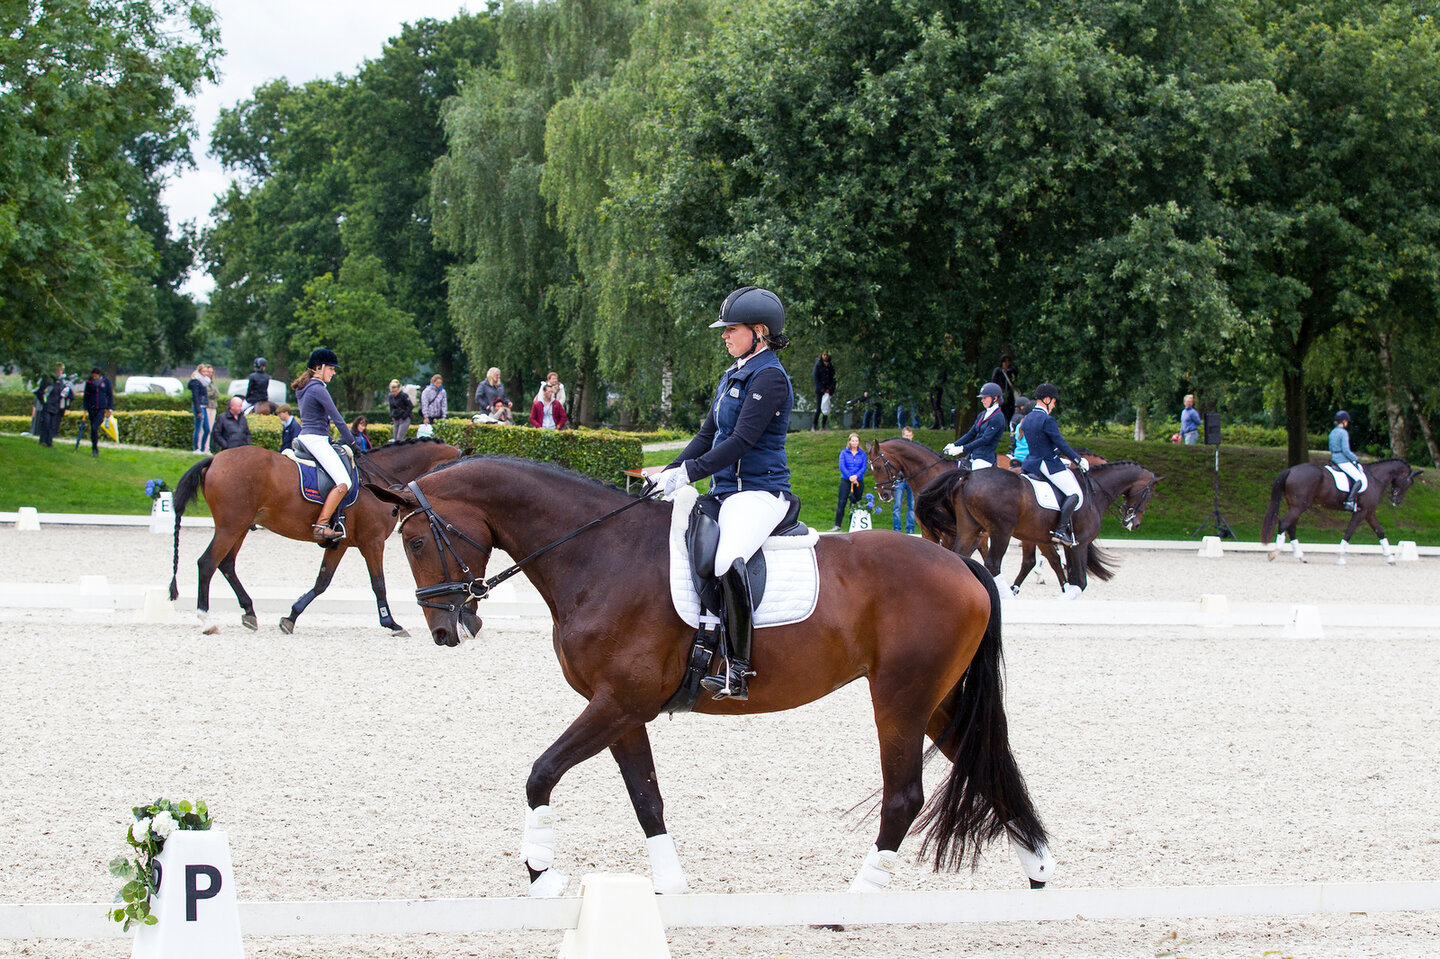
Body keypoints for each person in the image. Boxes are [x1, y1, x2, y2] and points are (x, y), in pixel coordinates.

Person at [652, 286, 795, 701]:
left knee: (726, 558)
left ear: (760, 331)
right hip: (725, 491)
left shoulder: (769, 377)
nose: (724, 336)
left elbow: (741, 442)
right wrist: (669, 472)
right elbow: (708, 434)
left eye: (731, 329)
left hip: (760, 492)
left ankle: (739, 669)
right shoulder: (733, 374)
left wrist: (689, 475)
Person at [293, 348, 357, 542]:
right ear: (319, 368)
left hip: (307, 436)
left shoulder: (304, 387)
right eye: (331, 368)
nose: (334, 372)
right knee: (344, 482)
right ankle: (321, 525)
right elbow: (337, 419)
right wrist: (353, 442)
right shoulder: (317, 388)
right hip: (316, 439)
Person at [1019, 383, 1088, 546]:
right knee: (1075, 494)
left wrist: (1058, 456)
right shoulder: (1047, 419)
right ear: (1047, 399)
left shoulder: (1027, 419)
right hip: (1048, 464)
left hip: (1032, 463)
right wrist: (1078, 460)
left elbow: (1041, 442)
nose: (1055, 406)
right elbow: (1060, 442)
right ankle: (1060, 531)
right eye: (1054, 402)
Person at [943, 382, 1006, 469]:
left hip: (984, 459)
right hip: (973, 455)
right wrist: (954, 444)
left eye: (985, 398)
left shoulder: (998, 417)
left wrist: (962, 449)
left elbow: (985, 440)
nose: (982, 400)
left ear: (995, 398)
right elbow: (971, 434)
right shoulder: (982, 414)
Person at [833, 432, 868, 532]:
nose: (854, 442)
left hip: (858, 481)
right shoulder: (844, 452)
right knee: (842, 502)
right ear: (849, 441)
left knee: (856, 503)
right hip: (846, 480)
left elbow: (864, 467)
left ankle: (853, 525)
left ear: (858, 442)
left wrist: (857, 476)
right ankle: (837, 525)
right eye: (852, 441)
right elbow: (842, 466)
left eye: (856, 441)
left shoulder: (862, 454)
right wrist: (850, 477)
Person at [1330, 410, 1365, 512]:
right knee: (1359, 479)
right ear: (1344, 421)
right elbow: (1346, 450)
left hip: (1334, 459)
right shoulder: (1343, 432)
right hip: (1342, 461)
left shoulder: (1332, 432)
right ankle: (1350, 501)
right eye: (1347, 421)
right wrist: (1355, 459)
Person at [79, 366, 114, 457]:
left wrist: (110, 408)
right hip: (91, 408)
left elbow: (110, 395)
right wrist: (85, 408)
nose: (93, 378)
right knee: (93, 430)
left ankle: (95, 448)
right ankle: (94, 448)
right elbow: (86, 396)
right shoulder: (89, 382)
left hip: (102, 408)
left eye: (95, 376)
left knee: (95, 427)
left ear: (99, 375)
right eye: (92, 376)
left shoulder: (106, 381)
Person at [34, 364, 69, 447]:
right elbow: (40, 392)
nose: (59, 372)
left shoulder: (61, 382)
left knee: (52, 425)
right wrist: (44, 402)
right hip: (47, 406)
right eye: (58, 370)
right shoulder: (48, 380)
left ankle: (49, 442)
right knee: (46, 423)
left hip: (56, 406)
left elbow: (61, 393)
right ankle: (42, 441)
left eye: (61, 370)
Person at [892, 425, 916, 534]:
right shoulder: (898, 450)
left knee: (912, 505)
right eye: (906, 435)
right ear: (902, 436)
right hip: (900, 479)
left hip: (911, 479)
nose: (907, 437)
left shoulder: (915, 449)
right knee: (897, 505)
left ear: (912, 436)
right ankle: (897, 529)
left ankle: (910, 529)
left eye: (909, 436)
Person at [187, 366, 211, 452]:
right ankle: (196, 448)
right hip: (199, 407)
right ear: (200, 372)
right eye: (204, 371)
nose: (206, 373)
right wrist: (198, 410)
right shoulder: (196, 382)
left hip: (204, 406)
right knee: (198, 427)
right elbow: (195, 397)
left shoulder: (204, 382)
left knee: (207, 429)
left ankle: (203, 448)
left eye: (206, 372)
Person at [991, 354, 1020, 424]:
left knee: (1010, 410)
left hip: (1009, 393)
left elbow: (1016, 379)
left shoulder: (1012, 370)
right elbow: (994, 381)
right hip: (1001, 393)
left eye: (1008, 362)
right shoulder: (998, 371)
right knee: (1001, 409)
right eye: (1005, 362)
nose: (1006, 364)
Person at [812, 352, 835, 430]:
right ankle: (814, 426)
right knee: (818, 408)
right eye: (824, 355)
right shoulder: (818, 365)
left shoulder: (831, 366)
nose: (825, 356)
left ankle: (823, 426)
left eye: (827, 355)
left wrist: (830, 388)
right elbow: (815, 378)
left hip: (828, 390)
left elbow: (833, 378)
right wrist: (822, 388)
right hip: (820, 390)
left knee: (826, 408)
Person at [1009, 395, 1034, 469]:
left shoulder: (1015, 417)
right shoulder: (1022, 419)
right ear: (1022, 407)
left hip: (1017, 450)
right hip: (1025, 455)